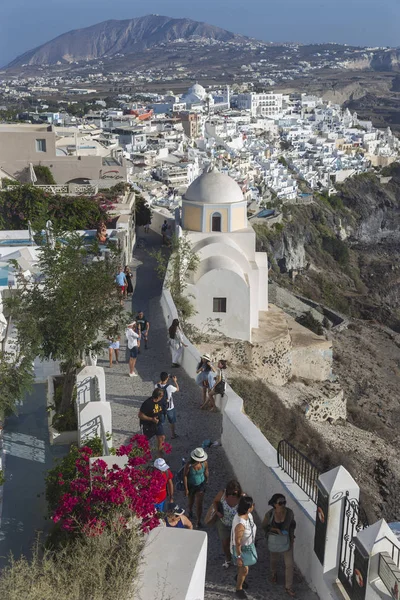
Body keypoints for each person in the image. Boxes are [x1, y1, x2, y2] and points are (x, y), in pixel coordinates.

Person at [262, 493, 296, 598]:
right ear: (274, 504)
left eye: (284, 502)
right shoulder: (269, 514)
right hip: (274, 541)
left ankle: (288, 587)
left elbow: (292, 525)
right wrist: (275, 530)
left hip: (287, 540)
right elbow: (264, 527)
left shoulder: (289, 513)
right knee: (274, 559)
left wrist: (292, 537)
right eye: (280, 503)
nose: (283, 504)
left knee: (289, 564)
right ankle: (273, 574)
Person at [212, 479, 243, 568]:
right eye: (231, 493)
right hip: (223, 523)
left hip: (236, 525)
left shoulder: (242, 497)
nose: (233, 495)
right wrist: (217, 511)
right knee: (225, 542)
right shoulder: (222, 494)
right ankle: (228, 558)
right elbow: (215, 502)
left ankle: (238, 558)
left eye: (235, 494)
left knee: (236, 542)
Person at [231, 496, 257, 599]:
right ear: (248, 508)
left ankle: (239, 578)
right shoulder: (240, 524)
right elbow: (237, 542)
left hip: (249, 545)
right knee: (245, 569)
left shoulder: (248, 515)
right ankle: (239, 588)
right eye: (251, 505)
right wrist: (239, 557)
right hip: (242, 549)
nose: (253, 506)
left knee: (243, 569)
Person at [183, 447, 209, 529]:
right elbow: (185, 476)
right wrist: (186, 488)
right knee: (191, 501)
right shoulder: (188, 465)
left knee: (199, 504)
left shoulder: (204, 463)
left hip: (201, 485)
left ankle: (198, 521)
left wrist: (206, 480)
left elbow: (206, 471)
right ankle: (190, 511)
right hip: (191, 486)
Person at [138, 389, 165, 457]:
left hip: (158, 423)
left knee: (161, 437)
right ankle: (143, 456)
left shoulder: (161, 401)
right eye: (162, 396)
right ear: (158, 396)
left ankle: (160, 457)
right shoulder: (147, 403)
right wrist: (151, 419)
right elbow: (140, 415)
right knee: (144, 442)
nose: (163, 397)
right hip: (148, 425)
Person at [155, 372, 180, 439]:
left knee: (161, 422)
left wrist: (164, 379)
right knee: (172, 421)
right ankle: (173, 434)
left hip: (160, 407)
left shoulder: (156, 386)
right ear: (167, 379)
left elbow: (158, 383)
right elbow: (177, 389)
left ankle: (161, 435)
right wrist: (175, 381)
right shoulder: (170, 387)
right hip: (169, 407)